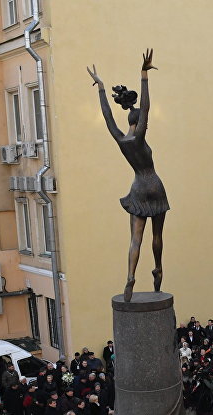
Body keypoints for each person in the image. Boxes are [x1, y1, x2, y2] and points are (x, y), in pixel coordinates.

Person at [87, 51, 169, 301]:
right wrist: (144, 76)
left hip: (137, 188)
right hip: (154, 185)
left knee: (136, 238)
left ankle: (130, 276)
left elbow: (108, 117)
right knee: (157, 235)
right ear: (140, 122)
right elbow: (146, 107)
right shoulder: (141, 136)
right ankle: (158, 267)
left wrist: (101, 88)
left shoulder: (122, 139)